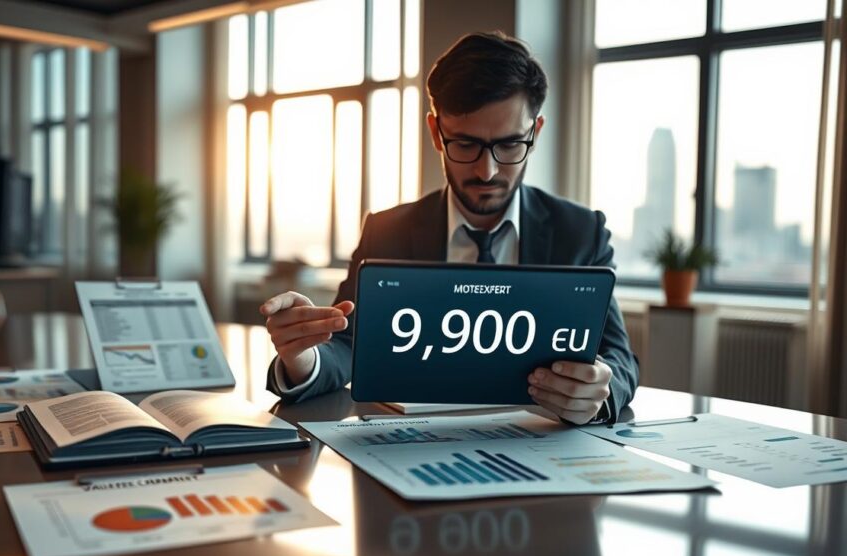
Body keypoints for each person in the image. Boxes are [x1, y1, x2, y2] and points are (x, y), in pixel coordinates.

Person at [259, 31, 638, 425]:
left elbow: (619, 358)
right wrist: (303, 358)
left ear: (536, 132)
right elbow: (349, 345)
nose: (486, 170)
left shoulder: (580, 232)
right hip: (412, 447)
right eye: (466, 144)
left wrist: (601, 390)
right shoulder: (386, 231)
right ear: (436, 133)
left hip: (541, 441)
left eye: (510, 145)